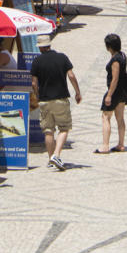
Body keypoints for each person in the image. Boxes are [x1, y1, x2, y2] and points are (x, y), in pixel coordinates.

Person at [30, 36, 81, 170]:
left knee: (48, 131)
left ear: (40, 47)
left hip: (44, 100)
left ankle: (50, 158)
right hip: (60, 99)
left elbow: (34, 83)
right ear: (49, 45)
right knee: (64, 128)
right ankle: (56, 155)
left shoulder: (37, 61)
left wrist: (37, 95)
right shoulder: (62, 57)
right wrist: (77, 92)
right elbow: (71, 76)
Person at [96, 33, 127, 153]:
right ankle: (121, 144)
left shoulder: (116, 59)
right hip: (123, 91)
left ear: (109, 47)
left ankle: (105, 145)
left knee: (106, 116)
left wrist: (109, 95)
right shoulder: (122, 55)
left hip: (115, 91)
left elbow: (115, 79)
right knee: (120, 118)